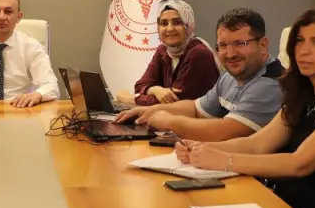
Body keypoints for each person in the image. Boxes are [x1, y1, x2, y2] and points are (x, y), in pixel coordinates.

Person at [175, 7, 315, 208]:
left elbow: (299, 163)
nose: (304, 51)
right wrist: (199, 148)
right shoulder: (302, 95)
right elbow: (257, 144)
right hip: (279, 202)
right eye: (299, 41)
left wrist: (224, 160)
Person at [115, 8, 284, 142]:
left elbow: (226, 131)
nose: (230, 54)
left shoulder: (270, 83)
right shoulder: (230, 77)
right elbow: (196, 108)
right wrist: (149, 111)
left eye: (240, 43)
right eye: (223, 45)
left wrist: (169, 122)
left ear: (263, 45)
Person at [131, 0, 219, 106]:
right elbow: (140, 86)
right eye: (164, 23)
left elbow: (174, 102)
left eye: (177, 22)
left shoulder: (198, 53)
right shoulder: (163, 50)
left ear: (188, 25)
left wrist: (133, 98)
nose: (170, 29)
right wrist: (155, 89)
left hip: (196, 116)